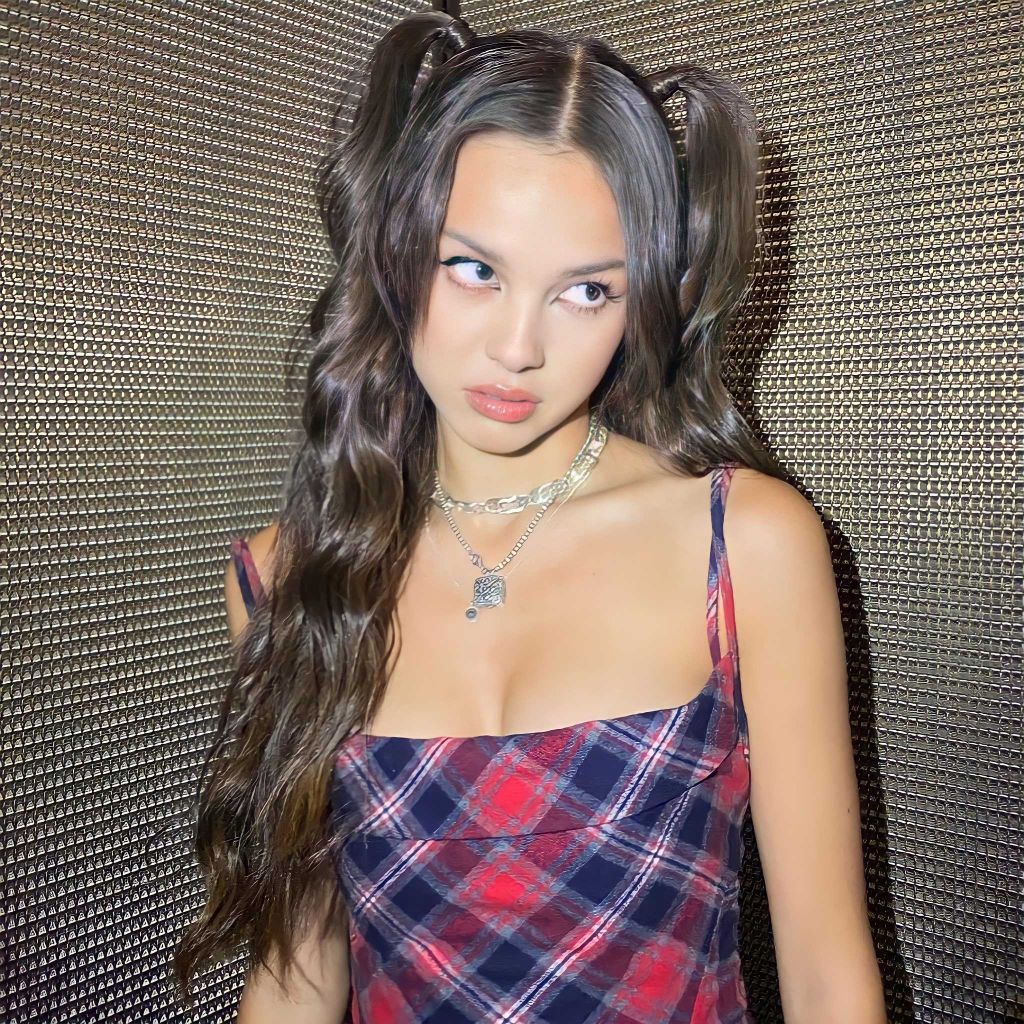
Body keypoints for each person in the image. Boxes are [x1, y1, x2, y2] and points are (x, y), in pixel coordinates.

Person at [172, 7, 887, 1022]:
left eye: (586, 291)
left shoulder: (744, 544)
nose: (518, 349)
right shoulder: (287, 577)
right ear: (395, 251)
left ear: (642, 299)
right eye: (474, 269)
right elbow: (296, 977)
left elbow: (825, 972)